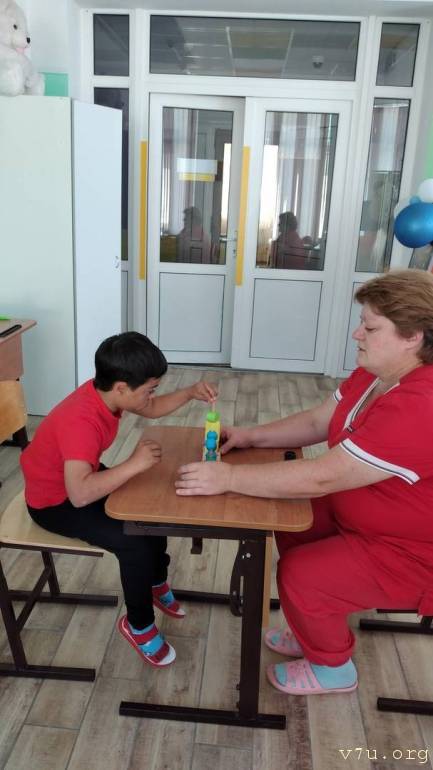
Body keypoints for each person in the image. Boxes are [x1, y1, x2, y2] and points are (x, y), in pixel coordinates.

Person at [175, 269, 433, 695]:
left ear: (412, 337)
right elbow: (319, 420)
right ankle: (315, 623)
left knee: (301, 574)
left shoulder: (421, 404)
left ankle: (334, 668)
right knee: (292, 519)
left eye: (370, 328)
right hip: (370, 516)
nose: (357, 334)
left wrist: (229, 477)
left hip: (415, 554)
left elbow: (324, 475)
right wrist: (251, 436)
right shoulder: (378, 373)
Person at [21, 332, 217, 669]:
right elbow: (80, 495)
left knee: (150, 511)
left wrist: (189, 392)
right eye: (148, 390)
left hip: (79, 480)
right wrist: (133, 465)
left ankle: (154, 581)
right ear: (122, 387)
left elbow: (150, 408)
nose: (151, 396)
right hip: (54, 502)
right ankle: (138, 625)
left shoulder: (107, 394)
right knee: (134, 542)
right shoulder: (81, 421)